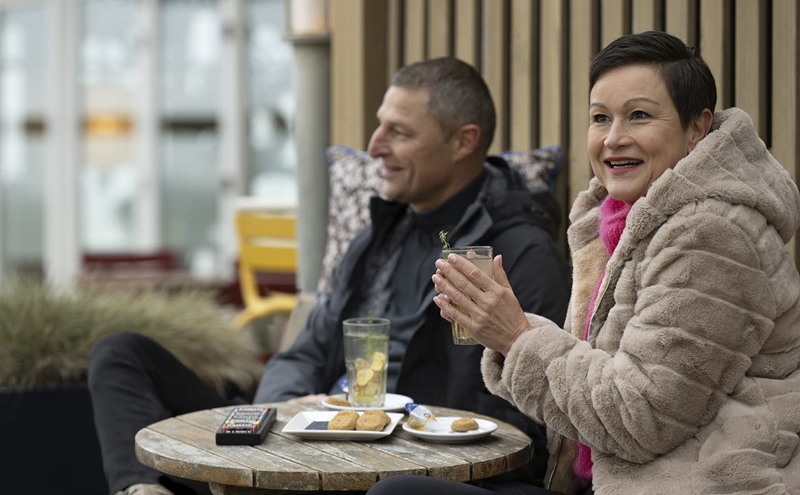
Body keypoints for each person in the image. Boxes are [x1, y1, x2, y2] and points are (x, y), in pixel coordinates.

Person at [88, 56, 571, 495]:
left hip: (403, 468)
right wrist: (285, 413)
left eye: (398, 132)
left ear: (463, 141)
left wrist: (388, 433)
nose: (374, 146)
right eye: (379, 127)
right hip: (311, 439)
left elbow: (520, 418)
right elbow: (304, 352)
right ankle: (143, 491)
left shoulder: (518, 253)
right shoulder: (379, 234)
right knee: (122, 354)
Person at [367, 31, 800, 495]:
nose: (614, 138)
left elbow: (642, 419)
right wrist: (512, 333)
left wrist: (516, 336)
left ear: (697, 126)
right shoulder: (617, 225)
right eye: (600, 118)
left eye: (638, 115)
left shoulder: (712, 233)